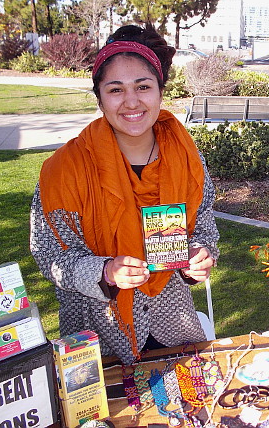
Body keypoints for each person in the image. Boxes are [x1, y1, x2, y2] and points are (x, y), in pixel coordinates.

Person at [30, 23, 219, 365]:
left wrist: (200, 254)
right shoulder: (65, 169)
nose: (131, 102)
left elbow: (203, 225)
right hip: (98, 336)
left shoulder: (187, 158)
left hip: (174, 332)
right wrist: (103, 271)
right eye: (115, 89)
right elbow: (49, 256)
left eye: (143, 87)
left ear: (160, 92)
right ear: (99, 97)